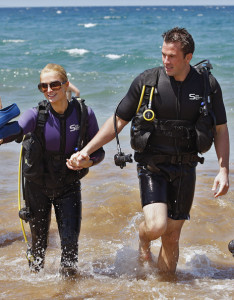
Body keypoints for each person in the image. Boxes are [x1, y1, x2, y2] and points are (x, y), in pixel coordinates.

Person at [66, 27, 229, 274]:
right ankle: (143, 240)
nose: (166, 60)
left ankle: (165, 288)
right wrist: (86, 150)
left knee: (172, 236)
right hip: (152, 164)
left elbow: (220, 129)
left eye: (172, 56)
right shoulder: (148, 82)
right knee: (156, 227)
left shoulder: (207, 85)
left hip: (186, 166)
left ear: (188, 57)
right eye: (163, 54)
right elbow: (118, 121)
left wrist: (223, 169)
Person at [0, 64, 105, 276]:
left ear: (66, 85)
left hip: (69, 186)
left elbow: (99, 151)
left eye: (54, 84)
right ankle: (36, 289)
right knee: (38, 245)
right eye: (43, 86)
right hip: (37, 186)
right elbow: (14, 130)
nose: (49, 90)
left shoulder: (85, 113)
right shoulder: (35, 115)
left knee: (70, 246)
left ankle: (68, 292)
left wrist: (88, 163)